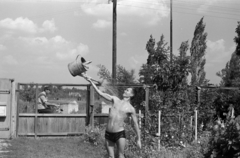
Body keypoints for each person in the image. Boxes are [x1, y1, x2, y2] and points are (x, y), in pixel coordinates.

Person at [82, 73, 141, 158]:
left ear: (131, 95)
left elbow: (135, 124)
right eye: (125, 90)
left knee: (121, 155)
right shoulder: (115, 99)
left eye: (127, 90)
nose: (125, 91)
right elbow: (100, 93)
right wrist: (91, 81)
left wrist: (138, 139)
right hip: (108, 133)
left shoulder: (131, 109)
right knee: (110, 156)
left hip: (120, 134)